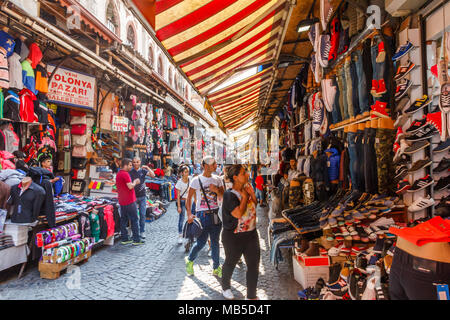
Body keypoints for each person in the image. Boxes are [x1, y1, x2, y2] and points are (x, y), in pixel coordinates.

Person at [221, 164, 260, 300]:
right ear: (236, 177)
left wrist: (252, 194)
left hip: (251, 234)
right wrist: (244, 197)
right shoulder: (228, 195)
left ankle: (251, 296)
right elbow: (238, 214)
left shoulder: (248, 189)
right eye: (244, 173)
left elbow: (255, 205)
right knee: (230, 262)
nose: (247, 174)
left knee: (254, 265)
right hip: (233, 237)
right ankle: (225, 287)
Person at [185, 156, 224, 277]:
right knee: (201, 243)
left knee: (215, 242)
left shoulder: (218, 179)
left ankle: (216, 267)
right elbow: (189, 197)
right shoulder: (196, 180)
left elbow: (223, 195)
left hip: (216, 214)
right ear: (205, 166)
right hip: (202, 215)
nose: (216, 166)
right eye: (214, 164)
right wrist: (189, 214)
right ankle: (190, 260)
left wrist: (216, 190)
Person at [115, 158, 144, 246]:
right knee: (135, 219)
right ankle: (136, 239)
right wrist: (135, 181)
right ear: (126, 165)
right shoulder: (125, 174)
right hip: (129, 201)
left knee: (123, 220)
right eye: (130, 165)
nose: (131, 166)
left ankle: (125, 238)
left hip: (122, 200)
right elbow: (130, 186)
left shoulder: (118, 174)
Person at [129, 157, 155, 240]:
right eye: (134, 162)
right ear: (132, 163)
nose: (136, 163)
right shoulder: (130, 171)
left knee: (143, 215)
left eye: (137, 162)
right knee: (134, 215)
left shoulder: (143, 171)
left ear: (140, 162)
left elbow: (153, 175)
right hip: (133, 197)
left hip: (142, 196)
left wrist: (147, 167)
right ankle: (134, 231)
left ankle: (142, 231)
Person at [175, 165, 191, 244]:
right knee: (181, 219)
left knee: (190, 217)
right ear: (182, 173)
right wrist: (178, 206)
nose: (187, 173)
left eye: (188, 171)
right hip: (181, 202)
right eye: (185, 172)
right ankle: (180, 236)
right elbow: (177, 196)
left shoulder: (190, 179)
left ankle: (191, 234)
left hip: (189, 201)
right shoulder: (179, 182)